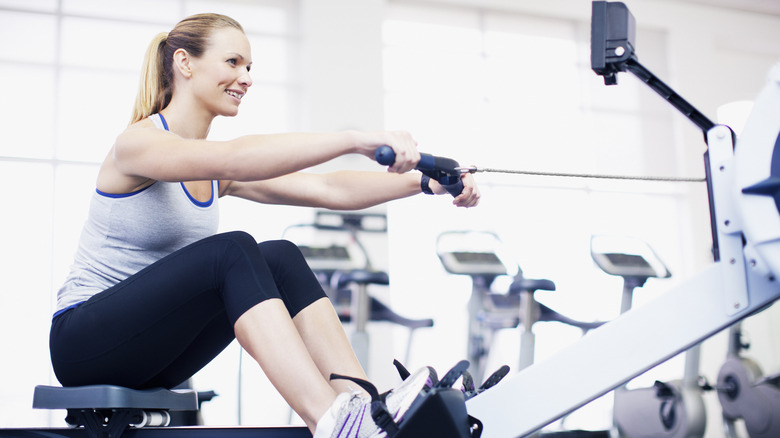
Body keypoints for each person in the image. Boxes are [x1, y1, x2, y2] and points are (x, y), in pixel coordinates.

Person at [48, 12, 480, 438]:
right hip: (83, 345)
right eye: (233, 62)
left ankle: (366, 413)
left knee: (280, 257)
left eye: (249, 67)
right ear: (184, 63)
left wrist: (425, 183)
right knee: (231, 250)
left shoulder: (214, 170)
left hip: (152, 353)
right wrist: (354, 139)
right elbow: (235, 156)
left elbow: (329, 189)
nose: (247, 77)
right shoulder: (137, 144)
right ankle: (332, 420)